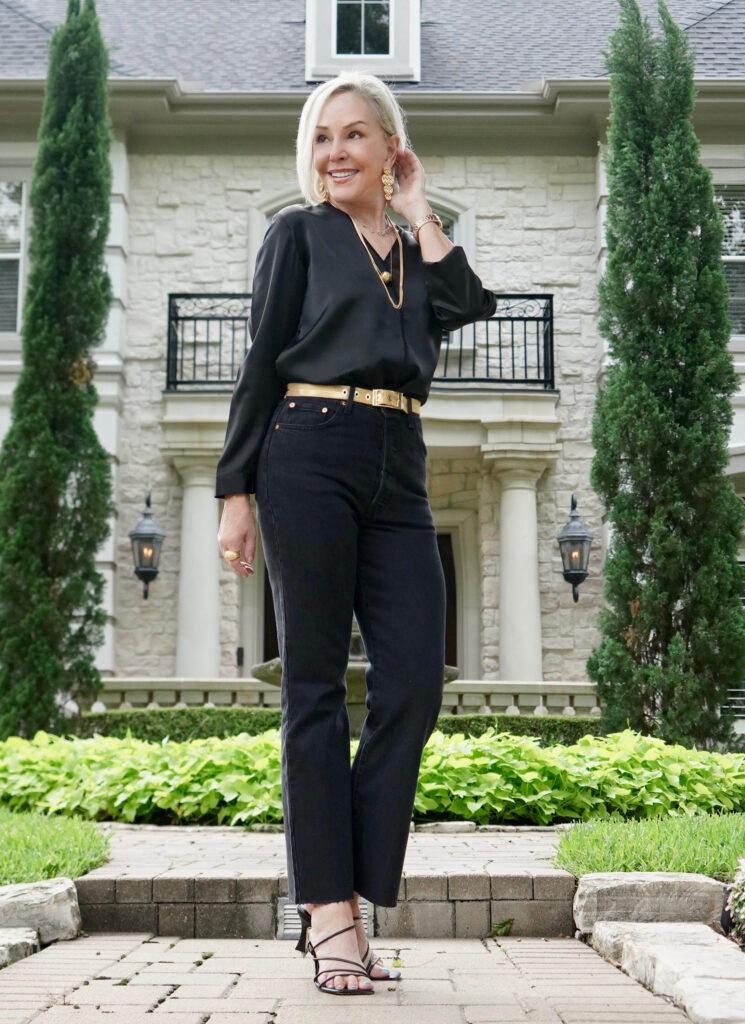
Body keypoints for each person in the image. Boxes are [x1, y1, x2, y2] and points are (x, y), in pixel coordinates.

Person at [215, 71, 495, 995]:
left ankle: (355, 892)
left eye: (355, 137)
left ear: (389, 150)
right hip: (307, 448)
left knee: (414, 682)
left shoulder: (417, 252)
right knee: (314, 688)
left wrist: (418, 208)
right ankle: (329, 909)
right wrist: (235, 490)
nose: (335, 152)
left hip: (399, 458)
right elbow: (260, 359)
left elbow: (469, 302)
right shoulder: (296, 234)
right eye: (322, 137)